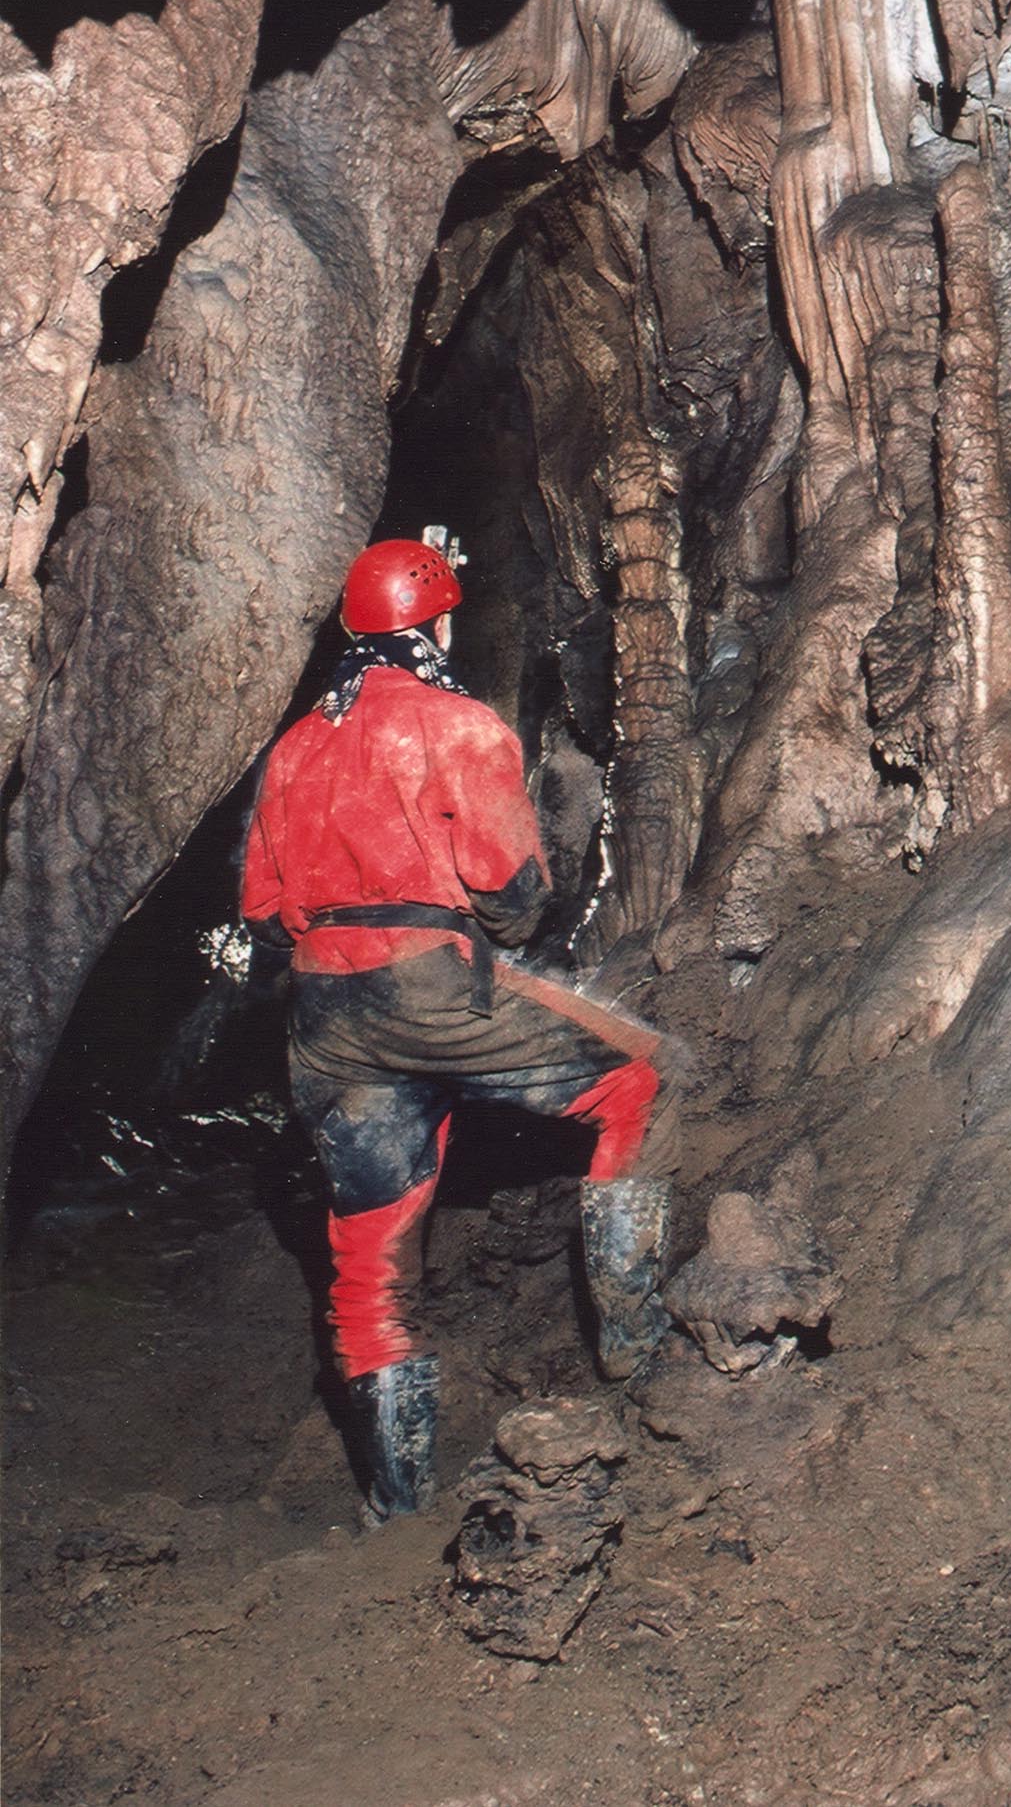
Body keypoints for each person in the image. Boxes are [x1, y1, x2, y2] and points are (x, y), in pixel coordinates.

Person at [241, 536, 676, 1524]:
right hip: (430, 983)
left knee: (369, 1263)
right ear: (435, 625)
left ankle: (396, 1505)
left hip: (323, 1016)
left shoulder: (295, 746)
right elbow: (513, 895)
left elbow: (264, 913)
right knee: (639, 1082)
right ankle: (636, 1351)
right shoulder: (458, 724)